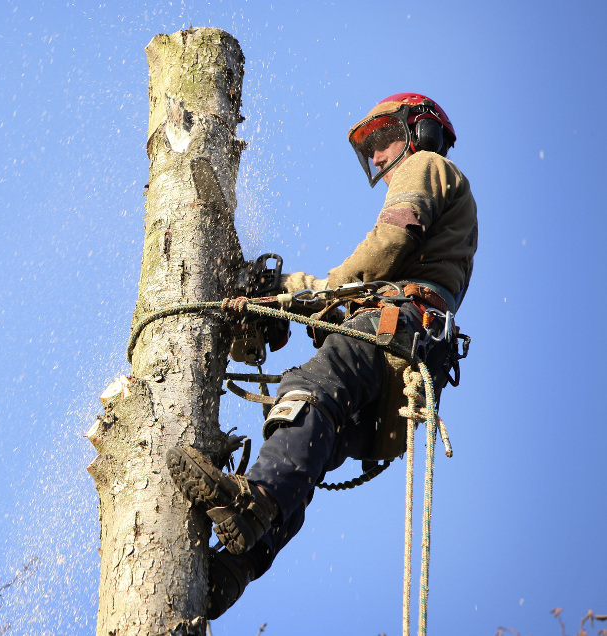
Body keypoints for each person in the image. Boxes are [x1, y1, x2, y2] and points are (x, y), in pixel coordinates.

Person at [166, 92, 478, 618]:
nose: (378, 158)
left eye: (384, 141)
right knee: (312, 439)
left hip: (395, 329)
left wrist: (326, 291)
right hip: (400, 378)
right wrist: (285, 293)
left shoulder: (428, 166)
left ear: (420, 132)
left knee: (303, 392)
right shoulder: (431, 241)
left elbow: (389, 241)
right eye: (370, 149)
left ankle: (253, 505)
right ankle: (238, 566)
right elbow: (353, 286)